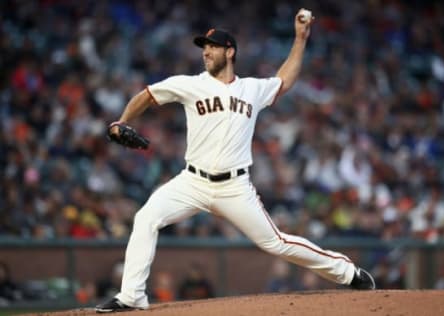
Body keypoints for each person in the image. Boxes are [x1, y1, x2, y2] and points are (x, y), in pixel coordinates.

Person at [95, 8, 375, 313]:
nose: (206, 53)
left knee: (276, 242)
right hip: (192, 182)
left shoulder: (251, 88)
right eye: (204, 48)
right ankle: (132, 295)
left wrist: (300, 39)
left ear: (230, 52)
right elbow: (148, 95)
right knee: (146, 218)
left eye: (212, 47)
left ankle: (348, 272)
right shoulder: (191, 84)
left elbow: (284, 80)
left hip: (235, 187)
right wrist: (121, 121)